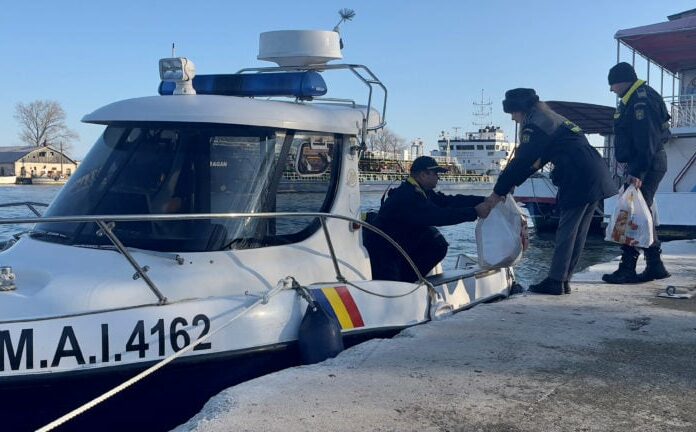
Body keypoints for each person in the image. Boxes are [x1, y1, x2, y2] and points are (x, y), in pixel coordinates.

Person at [477, 88, 616, 295]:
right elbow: (536, 162)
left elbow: (522, 160)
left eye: (513, 114)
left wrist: (498, 192)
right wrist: (512, 183)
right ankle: (563, 279)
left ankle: (555, 281)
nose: (514, 119)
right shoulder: (551, 118)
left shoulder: (536, 123)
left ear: (521, 110)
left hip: (579, 176)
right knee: (578, 232)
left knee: (567, 231)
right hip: (594, 172)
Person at [365, 156, 487, 282]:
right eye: (435, 173)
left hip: (398, 249)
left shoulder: (419, 191)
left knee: (435, 242)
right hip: (385, 254)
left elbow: (447, 202)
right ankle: (406, 284)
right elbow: (438, 216)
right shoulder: (407, 197)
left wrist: (483, 200)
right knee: (434, 242)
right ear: (423, 175)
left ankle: (409, 281)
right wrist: (474, 212)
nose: (438, 177)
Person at [602, 62, 671, 284]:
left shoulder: (641, 100)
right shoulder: (635, 98)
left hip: (646, 164)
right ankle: (655, 265)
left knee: (631, 215)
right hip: (644, 162)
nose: (612, 90)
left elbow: (646, 140)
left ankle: (627, 268)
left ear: (622, 81)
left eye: (612, 85)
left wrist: (637, 172)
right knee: (642, 213)